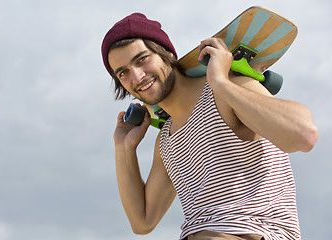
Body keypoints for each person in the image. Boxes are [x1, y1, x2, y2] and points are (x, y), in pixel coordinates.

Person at [101, 13, 318, 240]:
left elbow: (304, 135)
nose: (137, 76)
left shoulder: (226, 89)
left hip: (255, 231)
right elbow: (142, 222)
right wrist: (124, 149)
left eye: (142, 59)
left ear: (165, 54)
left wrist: (221, 81)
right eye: (123, 73)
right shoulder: (166, 140)